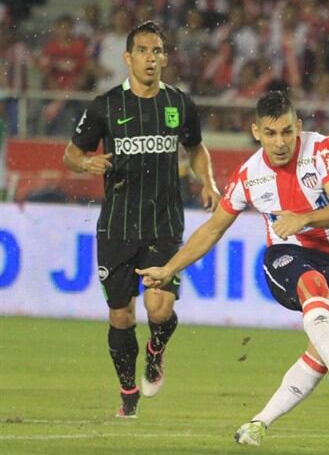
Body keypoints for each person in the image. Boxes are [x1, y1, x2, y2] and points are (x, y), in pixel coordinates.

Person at [137, 91, 329, 444]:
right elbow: (213, 228)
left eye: (287, 132)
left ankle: (258, 424)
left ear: (299, 127)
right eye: (271, 133)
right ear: (256, 131)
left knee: (319, 354)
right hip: (286, 258)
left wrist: (304, 218)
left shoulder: (321, 149)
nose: (281, 142)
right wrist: (168, 268)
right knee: (311, 283)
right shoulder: (248, 176)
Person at [61, 21, 220, 418]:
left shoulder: (179, 104)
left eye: (157, 51)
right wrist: (86, 162)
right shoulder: (105, 106)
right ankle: (127, 390)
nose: (151, 59)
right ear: (128, 58)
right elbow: (70, 153)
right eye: (143, 51)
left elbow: (196, 148)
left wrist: (208, 183)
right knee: (121, 315)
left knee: (160, 309)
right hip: (116, 224)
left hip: (163, 222)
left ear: (165, 58)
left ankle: (156, 350)